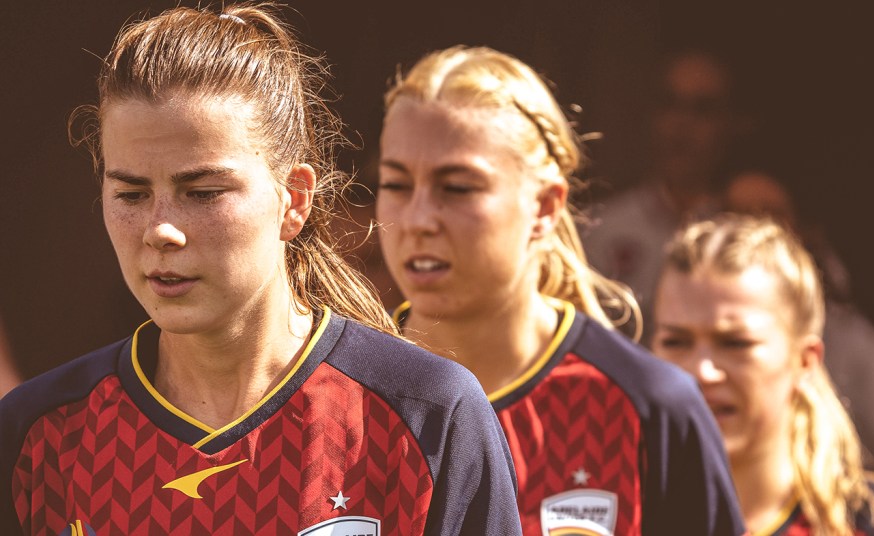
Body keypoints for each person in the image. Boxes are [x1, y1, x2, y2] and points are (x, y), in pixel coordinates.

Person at [0, 5, 520, 535]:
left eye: (203, 193)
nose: (160, 230)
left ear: (293, 200)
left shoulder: (429, 416)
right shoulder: (40, 435)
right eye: (130, 193)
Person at [375, 45, 746, 535]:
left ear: (545, 208)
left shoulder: (653, 408)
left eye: (458, 187)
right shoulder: (337, 397)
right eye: (397, 185)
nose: (419, 219)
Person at [651, 213, 874, 535]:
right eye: (676, 342)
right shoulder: (614, 518)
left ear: (805, 361)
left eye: (735, 343)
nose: (702, 371)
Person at [724, 170, 874, 521]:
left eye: (767, 215)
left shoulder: (852, 343)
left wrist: (861, 517)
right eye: (733, 215)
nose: (749, 232)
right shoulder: (681, 343)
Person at [583, 49, 752, 335]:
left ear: (732, 122)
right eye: (669, 104)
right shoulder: (600, 229)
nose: (682, 124)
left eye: (702, 110)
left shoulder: (749, 226)